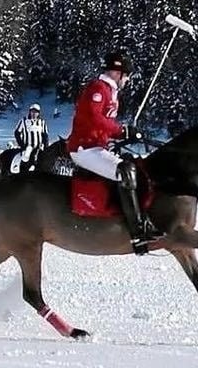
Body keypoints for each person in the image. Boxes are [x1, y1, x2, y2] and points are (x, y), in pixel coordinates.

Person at [67, 51, 161, 255]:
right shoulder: (98, 89)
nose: (127, 80)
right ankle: (137, 231)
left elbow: (103, 126)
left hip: (98, 146)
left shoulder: (111, 92)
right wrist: (121, 130)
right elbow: (94, 118)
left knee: (134, 166)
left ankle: (136, 219)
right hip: (84, 148)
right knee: (125, 171)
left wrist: (124, 134)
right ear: (117, 73)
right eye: (126, 75)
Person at [14, 103, 49, 169]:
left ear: (38, 113)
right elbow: (17, 133)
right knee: (26, 157)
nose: (33, 114)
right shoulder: (24, 121)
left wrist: (46, 147)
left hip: (39, 147)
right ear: (29, 112)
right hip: (27, 146)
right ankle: (22, 173)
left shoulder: (42, 122)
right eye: (32, 111)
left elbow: (45, 135)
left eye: (36, 112)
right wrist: (21, 144)